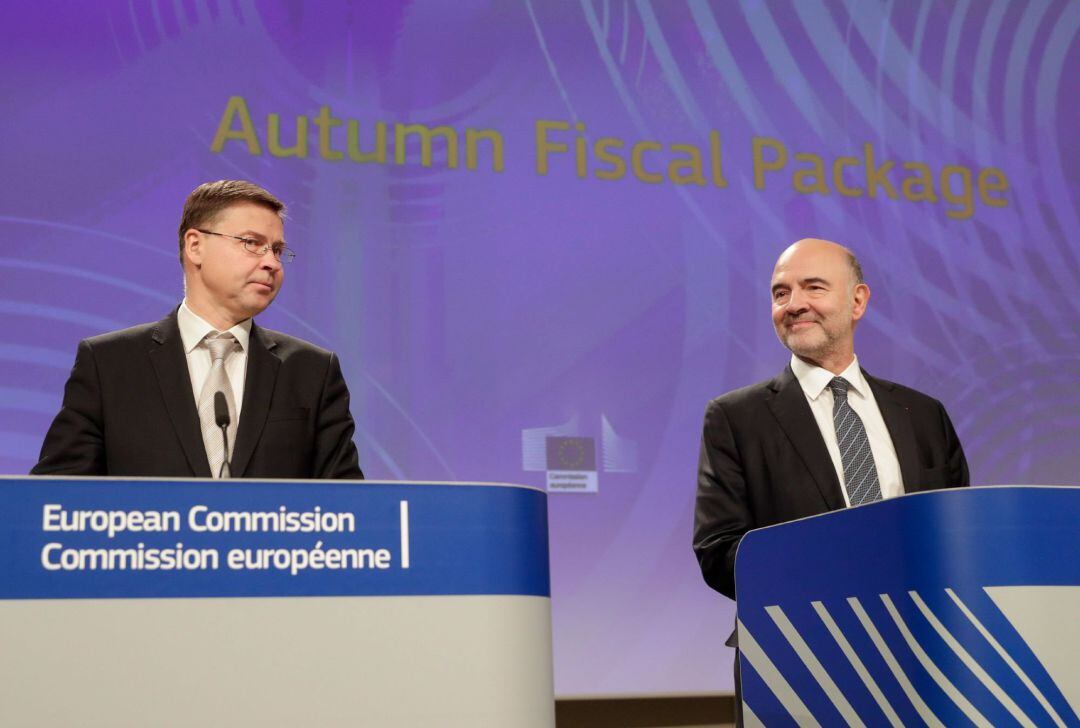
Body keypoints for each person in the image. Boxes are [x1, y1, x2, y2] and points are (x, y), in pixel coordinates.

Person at [693, 239, 969, 713]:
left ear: (858, 300)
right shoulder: (736, 417)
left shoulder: (923, 414)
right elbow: (719, 550)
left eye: (813, 287)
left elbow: (960, 535)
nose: (794, 304)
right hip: (796, 662)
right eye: (781, 293)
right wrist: (843, 572)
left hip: (922, 658)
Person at [31, 180, 363, 480]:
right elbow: (58, 496)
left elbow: (349, 508)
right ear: (195, 246)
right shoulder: (109, 363)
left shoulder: (312, 372)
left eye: (276, 250)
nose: (271, 263)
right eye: (252, 243)